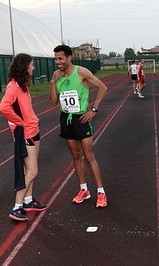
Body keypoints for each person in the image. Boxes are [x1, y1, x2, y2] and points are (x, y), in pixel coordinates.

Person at [49, 44, 108, 208]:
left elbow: (102, 88)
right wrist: (53, 82)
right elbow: (54, 102)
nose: (57, 62)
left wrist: (93, 110)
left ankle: (101, 192)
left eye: (60, 58)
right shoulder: (58, 77)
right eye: (55, 59)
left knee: (89, 157)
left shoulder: (81, 72)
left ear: (69, 58)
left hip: (81, 119)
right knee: (76, 157)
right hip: (66, 119)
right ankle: (84, 190)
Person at [0, 53, 48, 221]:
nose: (33, 67)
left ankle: (28, 201)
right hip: (25, 133)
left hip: (33, 130)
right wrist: (20, 122)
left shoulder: (23, 85)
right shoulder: (13, 87)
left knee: (30, 169)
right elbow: (3, 107)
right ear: (24, 67)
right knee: (32, 171)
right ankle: (17, 207)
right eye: (32, 64)